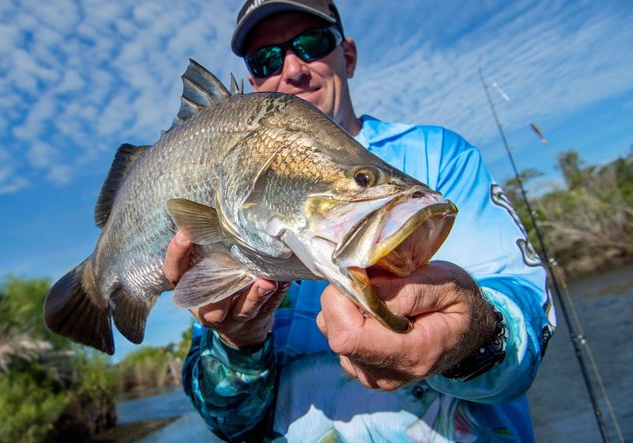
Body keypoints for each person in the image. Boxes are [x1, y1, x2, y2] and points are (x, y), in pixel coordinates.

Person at [165, 1, 555, 441]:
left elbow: (526, 320)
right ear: (255, 82)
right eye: (266, 59)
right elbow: (227, 422)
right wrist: (239, 344)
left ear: (347, 55)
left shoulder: (439, 157)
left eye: (312, 44)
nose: (292, 69)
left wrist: (472, 334)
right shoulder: (227, 200)